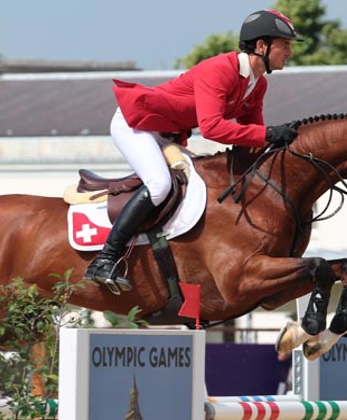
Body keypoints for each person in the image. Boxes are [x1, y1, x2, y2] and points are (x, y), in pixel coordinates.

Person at [84, 9, 302, 293]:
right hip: (135, 125)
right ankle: (105, 258)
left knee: (200, 184)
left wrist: (283, 144)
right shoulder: (220, 69)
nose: (289, 52)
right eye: (284, 45)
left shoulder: (257, 84)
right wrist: (268, 133)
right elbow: (212, 128)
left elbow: (251, 138)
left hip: (165, 135)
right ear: (261, 46)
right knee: (160, 184)